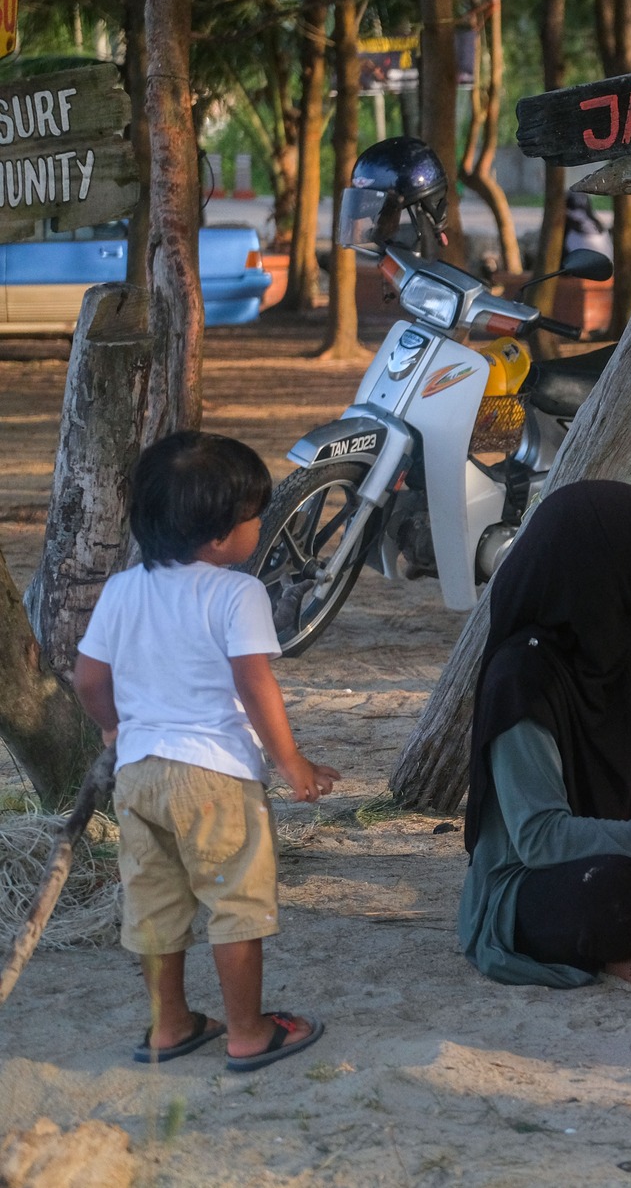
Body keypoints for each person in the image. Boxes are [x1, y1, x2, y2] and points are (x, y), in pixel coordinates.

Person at [72, 431, 335, 1072]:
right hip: (215, 779)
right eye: (254, 517)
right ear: (220, 538)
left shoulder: (122, 590)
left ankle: (170, 1027)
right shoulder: (237, 593)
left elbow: (88, 679)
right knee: (235, 903)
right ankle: (247, 1032)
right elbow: (254, 681)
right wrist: (289, 760)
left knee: (156, 904)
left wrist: (113, 729)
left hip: (138, 777)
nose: (258, 527)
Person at [458, 480, 631, 990]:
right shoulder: (525, 678)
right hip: (549, 878)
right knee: (610, 897)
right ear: (605, 563)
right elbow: (539, 837)